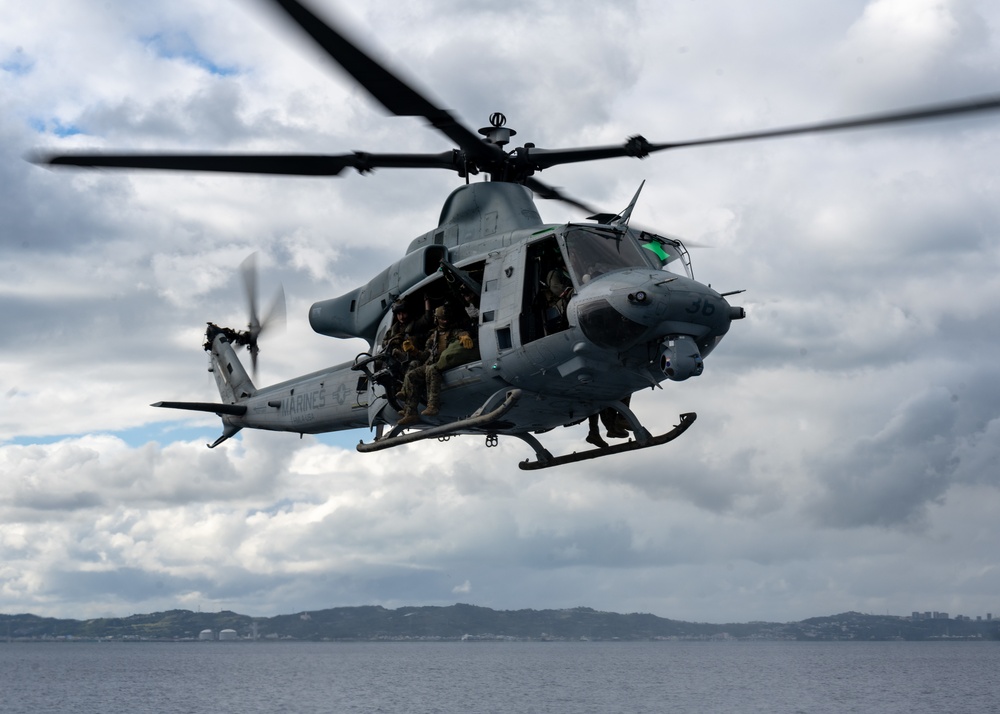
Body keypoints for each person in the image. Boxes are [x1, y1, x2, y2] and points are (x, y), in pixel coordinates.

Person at [397, 306, 478, 425]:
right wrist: (413, 351)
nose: (445, 321)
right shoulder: (433, 336)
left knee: (431, 369)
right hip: (432, 362)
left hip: (445, 364)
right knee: (411, 375)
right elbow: (425, 355)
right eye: (442, 319)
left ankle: (433, 405)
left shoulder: (454, 331)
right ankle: (410, 413)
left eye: (446, 319)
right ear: (437, 319)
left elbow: (461, 333)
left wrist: (464, 336)